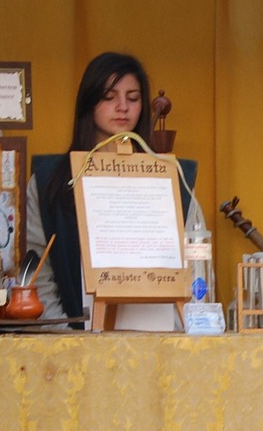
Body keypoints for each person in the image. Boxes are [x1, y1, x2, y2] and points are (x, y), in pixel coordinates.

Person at [25, 51, 204, 328]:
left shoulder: (174, 178)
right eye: (109, 97)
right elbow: (38, 273)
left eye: (133, 98)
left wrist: (182, 330)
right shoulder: (50, 181)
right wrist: (65, 336)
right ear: (88, 101)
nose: (122, 107)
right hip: (76, 339)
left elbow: (197, 264)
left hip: (161, 339)